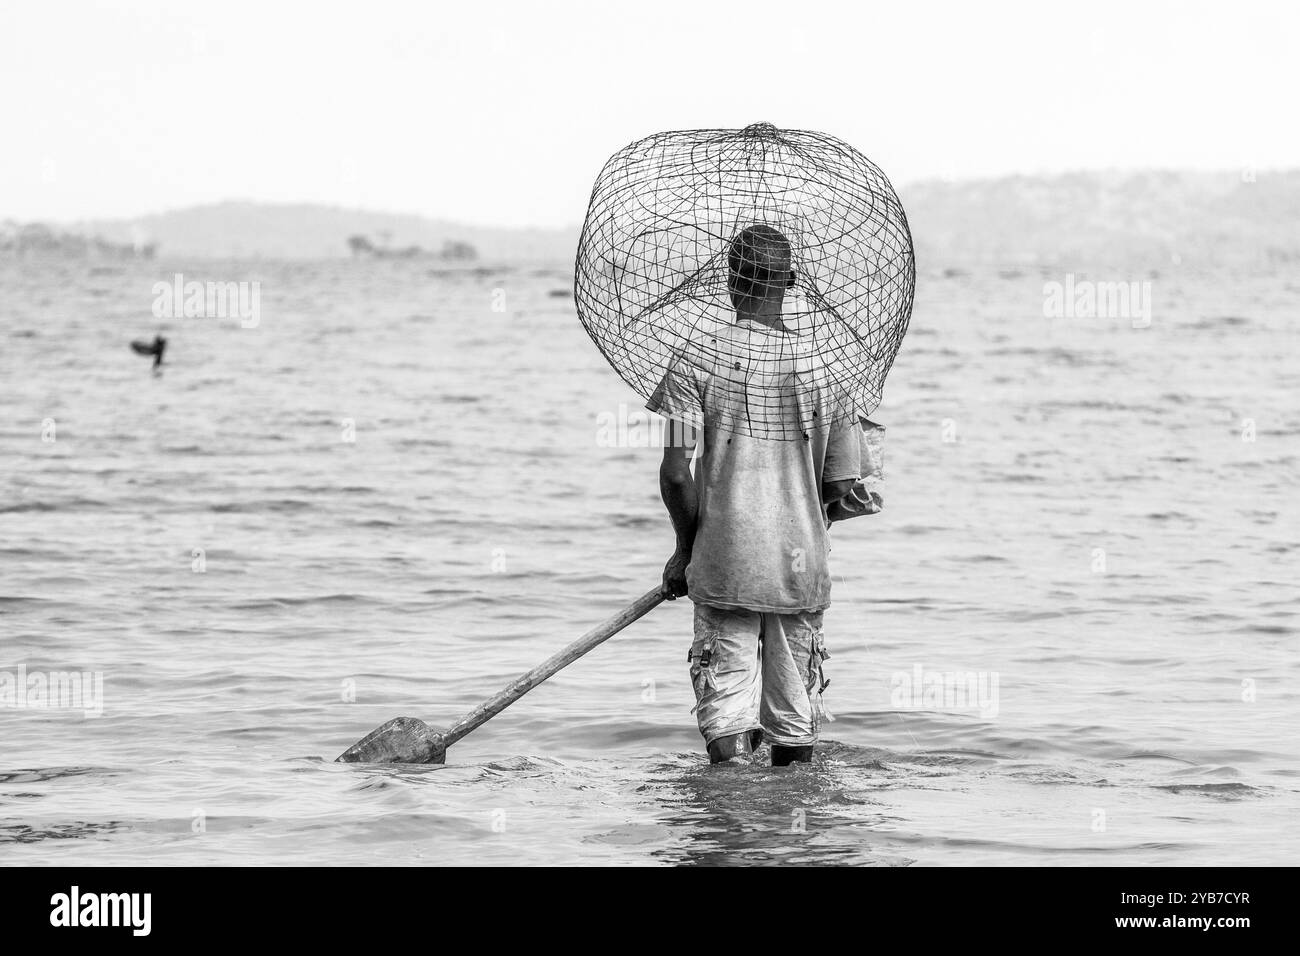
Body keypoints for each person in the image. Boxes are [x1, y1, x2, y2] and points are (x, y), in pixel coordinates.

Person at [647, 224, 864, 766]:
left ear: (729, 281)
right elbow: (843, 487)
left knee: (726, 718)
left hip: (723, 563)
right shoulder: (827, 367)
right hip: (799, 571)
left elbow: (677, 472)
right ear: (790, 282)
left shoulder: (695, 358)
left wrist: (685, 550)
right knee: (793, 726)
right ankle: (787, 827)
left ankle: (728, 822)